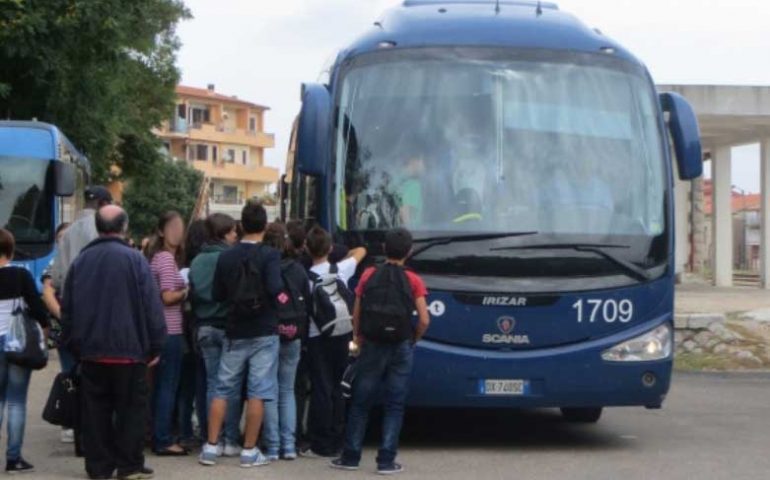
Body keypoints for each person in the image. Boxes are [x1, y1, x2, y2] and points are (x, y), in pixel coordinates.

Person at [60, 206, 166, 480]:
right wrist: (156, 344)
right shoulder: (135, 260)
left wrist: (73, 344)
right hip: (130, 353)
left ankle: (99, 467)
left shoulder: (81, 262)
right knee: (132, 411)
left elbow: (68, 308)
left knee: (95, 413)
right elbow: (151, 306)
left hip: (92, 352)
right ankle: (129, 465)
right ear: (124, 226)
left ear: (97, 226)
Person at [331, 228, 430, 475]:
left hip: (372, 343)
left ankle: (351, 456)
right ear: (409, 252)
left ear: (384, 248)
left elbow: (357, 310)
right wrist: (412, 339)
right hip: (400, 345)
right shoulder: (413, 280)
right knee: (394, 404)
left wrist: (357, 337)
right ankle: (386, 460)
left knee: (361, 402)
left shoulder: (369, 274)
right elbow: (425, 320)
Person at [198, 201, 283, 468]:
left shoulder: (227, 256)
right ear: (265, 226)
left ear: (240, 226)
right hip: (264, 331)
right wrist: (283, 301)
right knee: (258, 391)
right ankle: (249, 451)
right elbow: (275, 288)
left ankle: (211, 447)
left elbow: (217, 294)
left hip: (234, 330)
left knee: (222, 388)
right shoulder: (270, 255)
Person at [301, 226, 366, 458]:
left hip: (318, 337)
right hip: (343, 334)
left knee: (321, 388)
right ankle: (339, 439)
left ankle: (321, 443)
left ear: (306, 248)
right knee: (340, 388)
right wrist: (339, 252)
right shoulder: (341, 269)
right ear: (329, 248)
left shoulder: (306, 277)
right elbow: (361, 250)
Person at [189, 213, 242, 457]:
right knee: (229, 385)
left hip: (203, 326)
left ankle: (212, 437)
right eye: (232, 231)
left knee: (212, 383)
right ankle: (230, 439)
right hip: (227, 326)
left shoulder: (197, 260)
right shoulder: (229, 258)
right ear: (223, 233)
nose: (235, 236)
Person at [0, 229, 50, 474]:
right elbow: (39, 310)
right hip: (17, 344)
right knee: (16, 401)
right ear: (9, 251)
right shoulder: (21, 275)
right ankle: (13, 458)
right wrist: (46, 328)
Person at [261, 222, 311, 461]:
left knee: (269, 388)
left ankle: (272, 445)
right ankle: (289, 445)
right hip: (294, 332)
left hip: (270, 331)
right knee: (288, 389)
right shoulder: (299, 269)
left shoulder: (264, 267)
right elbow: (308, 301)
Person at [145, 211, 189, 456]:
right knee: (167, 387)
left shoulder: (156, 258)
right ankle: (163, 439)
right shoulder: (164, 259)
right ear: (161, 231)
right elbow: (168, 296)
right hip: (169, 330)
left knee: (159, 386)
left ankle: (155, 434)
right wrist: (186, 290)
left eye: (180, 227)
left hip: (158, 330)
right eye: (171, 227)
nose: (177, 231)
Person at [41, 222, 77, 445]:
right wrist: (65, 318)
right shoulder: (55, 264)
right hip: (66, 331)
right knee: (69, 375)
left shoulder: (81, 258)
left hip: (83, 329)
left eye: (68, 237)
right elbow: (47, 293)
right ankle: (68, 422)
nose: (64, 241)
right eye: (61, 237)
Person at [176, 219, 208, 449]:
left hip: (183, 329)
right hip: (200, 327)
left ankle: (184, 430)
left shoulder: (183, 268)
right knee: (203, 382)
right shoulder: (204, 266)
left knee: (184, 385)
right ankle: (206, 430)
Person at [49, 186, 113, 292]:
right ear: (104, 204)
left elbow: (56, 279)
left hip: (71, 300)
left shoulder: (66, 233)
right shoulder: (104, 230)